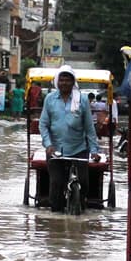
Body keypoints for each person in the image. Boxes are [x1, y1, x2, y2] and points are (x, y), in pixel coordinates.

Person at [39, 64, 101, 212]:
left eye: (68, 80)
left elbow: (89, 127)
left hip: (79, 148)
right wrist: (48, 145)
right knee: (56, 183)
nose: (64, 83)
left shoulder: (82, 99)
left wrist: (94, 150)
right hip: (56, 150)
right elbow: (43, 124)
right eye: (62, 80)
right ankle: (56, 217)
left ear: (73, 82)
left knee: (84, 183)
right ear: (57, 82)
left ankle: (80, 204)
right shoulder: (50, 99)